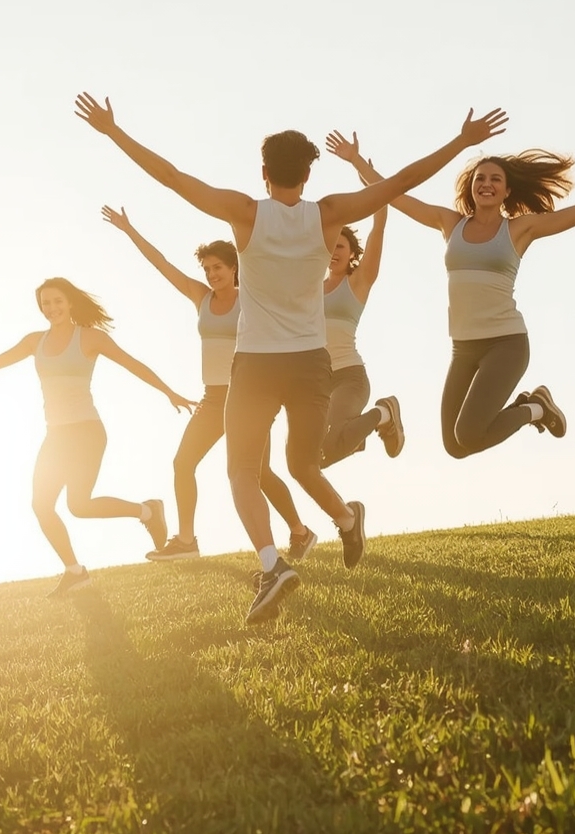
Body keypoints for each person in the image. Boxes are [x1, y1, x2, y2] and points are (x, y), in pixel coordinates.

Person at [75, 93, 507, 623]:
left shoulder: (244, 213)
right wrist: (463, 142)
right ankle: (347, 521)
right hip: (310, 364)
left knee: (241, 471)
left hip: (256, 364)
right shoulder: (329, 215)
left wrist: (114, 132)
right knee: (303, 464)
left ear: (263, 173)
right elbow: (398, 184)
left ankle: (272, 564)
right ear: (307, 174)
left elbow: (171, 177)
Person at [329, 131, 575, 458]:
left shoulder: (520, 229)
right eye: (480, 178)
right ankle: (533, 406)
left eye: (495, 179)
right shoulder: (451, 224)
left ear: (507, 191)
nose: (486, 184)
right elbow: (394, 193)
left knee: (468, 434)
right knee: (455, 445)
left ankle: (534, 409)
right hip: (464, 347)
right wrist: (357, 161)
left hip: (506, 344)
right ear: (471, 186)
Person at [0, 277, 196, 597]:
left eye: (56, 301)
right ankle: (75, 571)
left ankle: (148, 511)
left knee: (79, 505)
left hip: (86, 431)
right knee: (41, 504)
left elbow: (132, 364)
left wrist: (169, 392)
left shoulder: (90, 338)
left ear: (69, 303)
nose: (51, 308)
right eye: (45, 303)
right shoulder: (34, 341)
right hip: (55, 435)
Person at [100, 206, 318, 561]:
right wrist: (129, 230)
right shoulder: (200, 298)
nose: (212, 274)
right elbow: (162, 264)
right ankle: (186, 541)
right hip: (213, 399)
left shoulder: (252, 299)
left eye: (218, 267)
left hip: (250, 398)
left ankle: (300, 531)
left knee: (258, 474)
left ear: (235, 268)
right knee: (183, 462)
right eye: (207, 269)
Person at [316, 137, 403, 466]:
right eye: (330, 246)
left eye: (342, 246)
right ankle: (356, 436)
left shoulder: (358, 282)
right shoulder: (310, 288)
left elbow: (381, 216)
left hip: (349, 377)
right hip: (318, 384)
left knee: (332, 442)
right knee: (314, 457)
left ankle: (384, 412)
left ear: (352, 254)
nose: (334, 252)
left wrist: (357, 163)